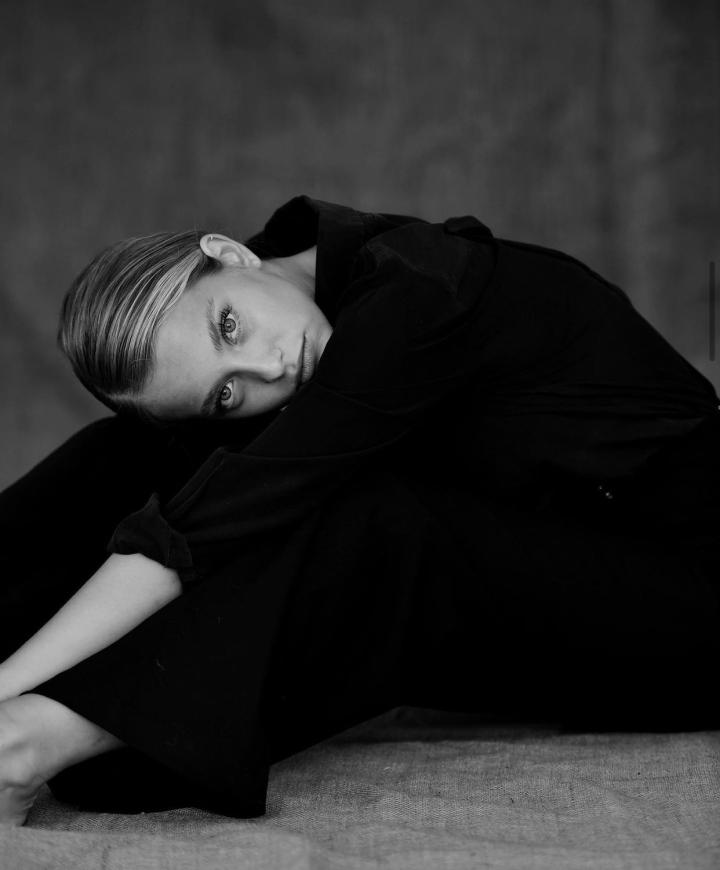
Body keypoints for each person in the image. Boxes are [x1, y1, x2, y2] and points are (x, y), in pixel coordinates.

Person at [0, 195, 718, 825]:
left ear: (230, 253)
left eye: (228, 326)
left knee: (374, 517)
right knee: (126, 452)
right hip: (537, 594)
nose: (269, 367)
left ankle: (29, 741)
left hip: (687, 608)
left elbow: (199, 529)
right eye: (226, 391)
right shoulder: (305, 293)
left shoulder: (421, 291)